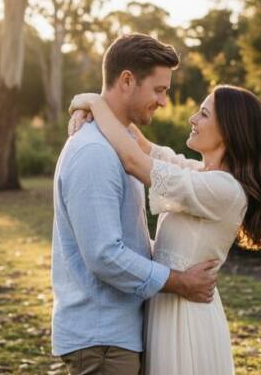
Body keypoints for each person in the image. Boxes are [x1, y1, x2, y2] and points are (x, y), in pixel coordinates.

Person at [68, 84, 261, 375]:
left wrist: (92, 100)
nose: (192, 119)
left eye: (203, 114)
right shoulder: (200, 174)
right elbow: (141, 145)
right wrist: (88, 103)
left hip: (185, 316)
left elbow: (134, 160)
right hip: (168, 304)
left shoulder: (224, 189)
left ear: (230, 131)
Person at [51, 33, 220, 375]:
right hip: (101, 339)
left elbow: (129, 236)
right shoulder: (94, 152)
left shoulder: (121, 142)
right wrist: (180, 281)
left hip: (118, 334)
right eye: (159, 90)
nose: (163, 102)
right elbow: (105, 254)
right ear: (127, 80)